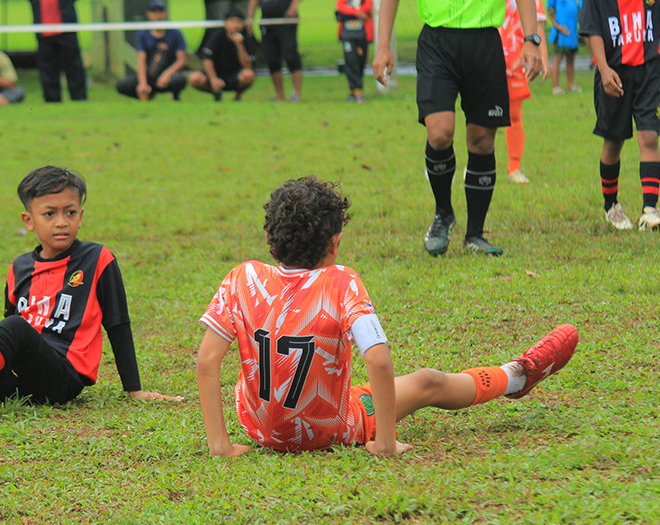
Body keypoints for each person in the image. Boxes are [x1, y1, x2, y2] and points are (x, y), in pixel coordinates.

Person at [196, 176, 579, 457]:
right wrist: (386, 442)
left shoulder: (242, 277)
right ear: (335, 243)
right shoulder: (341, 282)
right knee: (428, 382)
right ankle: (517, 376)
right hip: (327, 430)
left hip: (256, 427)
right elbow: (378, 359)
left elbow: (207, 360)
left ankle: (517, 376)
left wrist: (221, 446)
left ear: (268, 238)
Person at [0, 166, 182, 424]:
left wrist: (135, 389)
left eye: (70, 212)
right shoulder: (20, 267)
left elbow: (118, 325)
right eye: (49, 214)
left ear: (81, 216)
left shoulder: (97, 259)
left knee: (14, 328)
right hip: (16, 376)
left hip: (60, 379)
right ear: (29, 220)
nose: (61, 221)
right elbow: (5, 332)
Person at [373, 0, 543, 257]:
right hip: (436, 45)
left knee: (482, 141)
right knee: (439, 133)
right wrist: (382, 47)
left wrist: (531, 40)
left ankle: (475, 234)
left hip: (484, 43)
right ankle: (443, 214)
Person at [580, 0, 660, 232]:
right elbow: (592, 30)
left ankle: (650, 210)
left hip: (650, 69)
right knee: (613, 141)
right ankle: (612, 207)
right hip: (614, 72)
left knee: (650, 136)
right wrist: (604, 68)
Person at [501, 0, 549, 184]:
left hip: (515, 60)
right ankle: (476, 161)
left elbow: (537, 22)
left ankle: (514, 167)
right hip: (487, 56)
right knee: (481, 117)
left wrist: (543, 56)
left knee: (513, 115)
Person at [24, 0, 87, 102]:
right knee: (47, 66)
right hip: (43, 29)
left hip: (66, 27)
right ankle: (52, 99)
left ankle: (79, 97)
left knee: (73, 64)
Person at [249, 0, 312, 101]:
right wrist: (250, 17)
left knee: (290, 54)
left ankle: (297, 93)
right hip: (267, 21)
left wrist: (294, 4)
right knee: (271, 57)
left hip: (286, 18)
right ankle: (279, 94)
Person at [115, 0, 188, 102]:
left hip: (169, 75)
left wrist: (167, 74)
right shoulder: (143, 34)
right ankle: (148, 94)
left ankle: (175, 96)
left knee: (179, 79)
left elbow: (181, 60)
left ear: (165, 13)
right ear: (149, 14)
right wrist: (143, 83)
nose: (158, 16)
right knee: (122, 85)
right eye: (154, 12)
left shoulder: (175, 33)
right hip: (150, 75)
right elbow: (141, 61)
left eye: (161, 12)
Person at [189, 9, 257, 101]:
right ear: (225, 23)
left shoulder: (247, 37)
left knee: (249, 75)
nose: (235, 25)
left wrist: (240, 45)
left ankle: (238, 94)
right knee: (194, 78)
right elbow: (207, 58)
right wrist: (213, 78)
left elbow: (248, 65)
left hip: (235, 75)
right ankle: (216, 92)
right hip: (216, 73)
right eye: (232, 22)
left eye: (239, 22)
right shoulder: (217, 35)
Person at [336, 0, 374, 102]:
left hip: (362, 33)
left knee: (360, 61)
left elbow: (369, 6)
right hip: (348, 33)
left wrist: (359, 11)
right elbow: (340, 5)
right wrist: (356, 13)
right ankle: (355, 91)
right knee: (350, 60)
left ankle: (356, 90)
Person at [547, 0, 583, 94]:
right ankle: (556, 86)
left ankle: (570, 84)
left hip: (572, 32)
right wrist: (558, 27)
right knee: (558, 58)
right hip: (561, 33)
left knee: (571, 58)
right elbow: (550, 12)